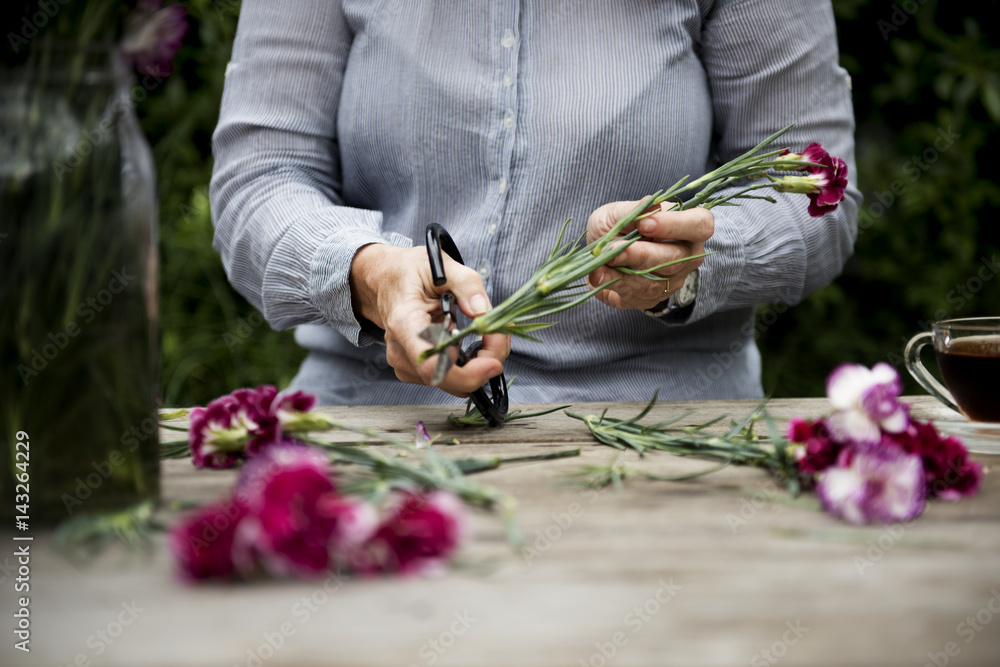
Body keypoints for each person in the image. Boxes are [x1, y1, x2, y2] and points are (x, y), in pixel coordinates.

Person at [210, 0, 859, 406]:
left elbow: (818, 197)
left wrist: (697, 259)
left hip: (658, 423)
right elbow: (258, 181)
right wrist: (372, 276)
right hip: (378, 412)